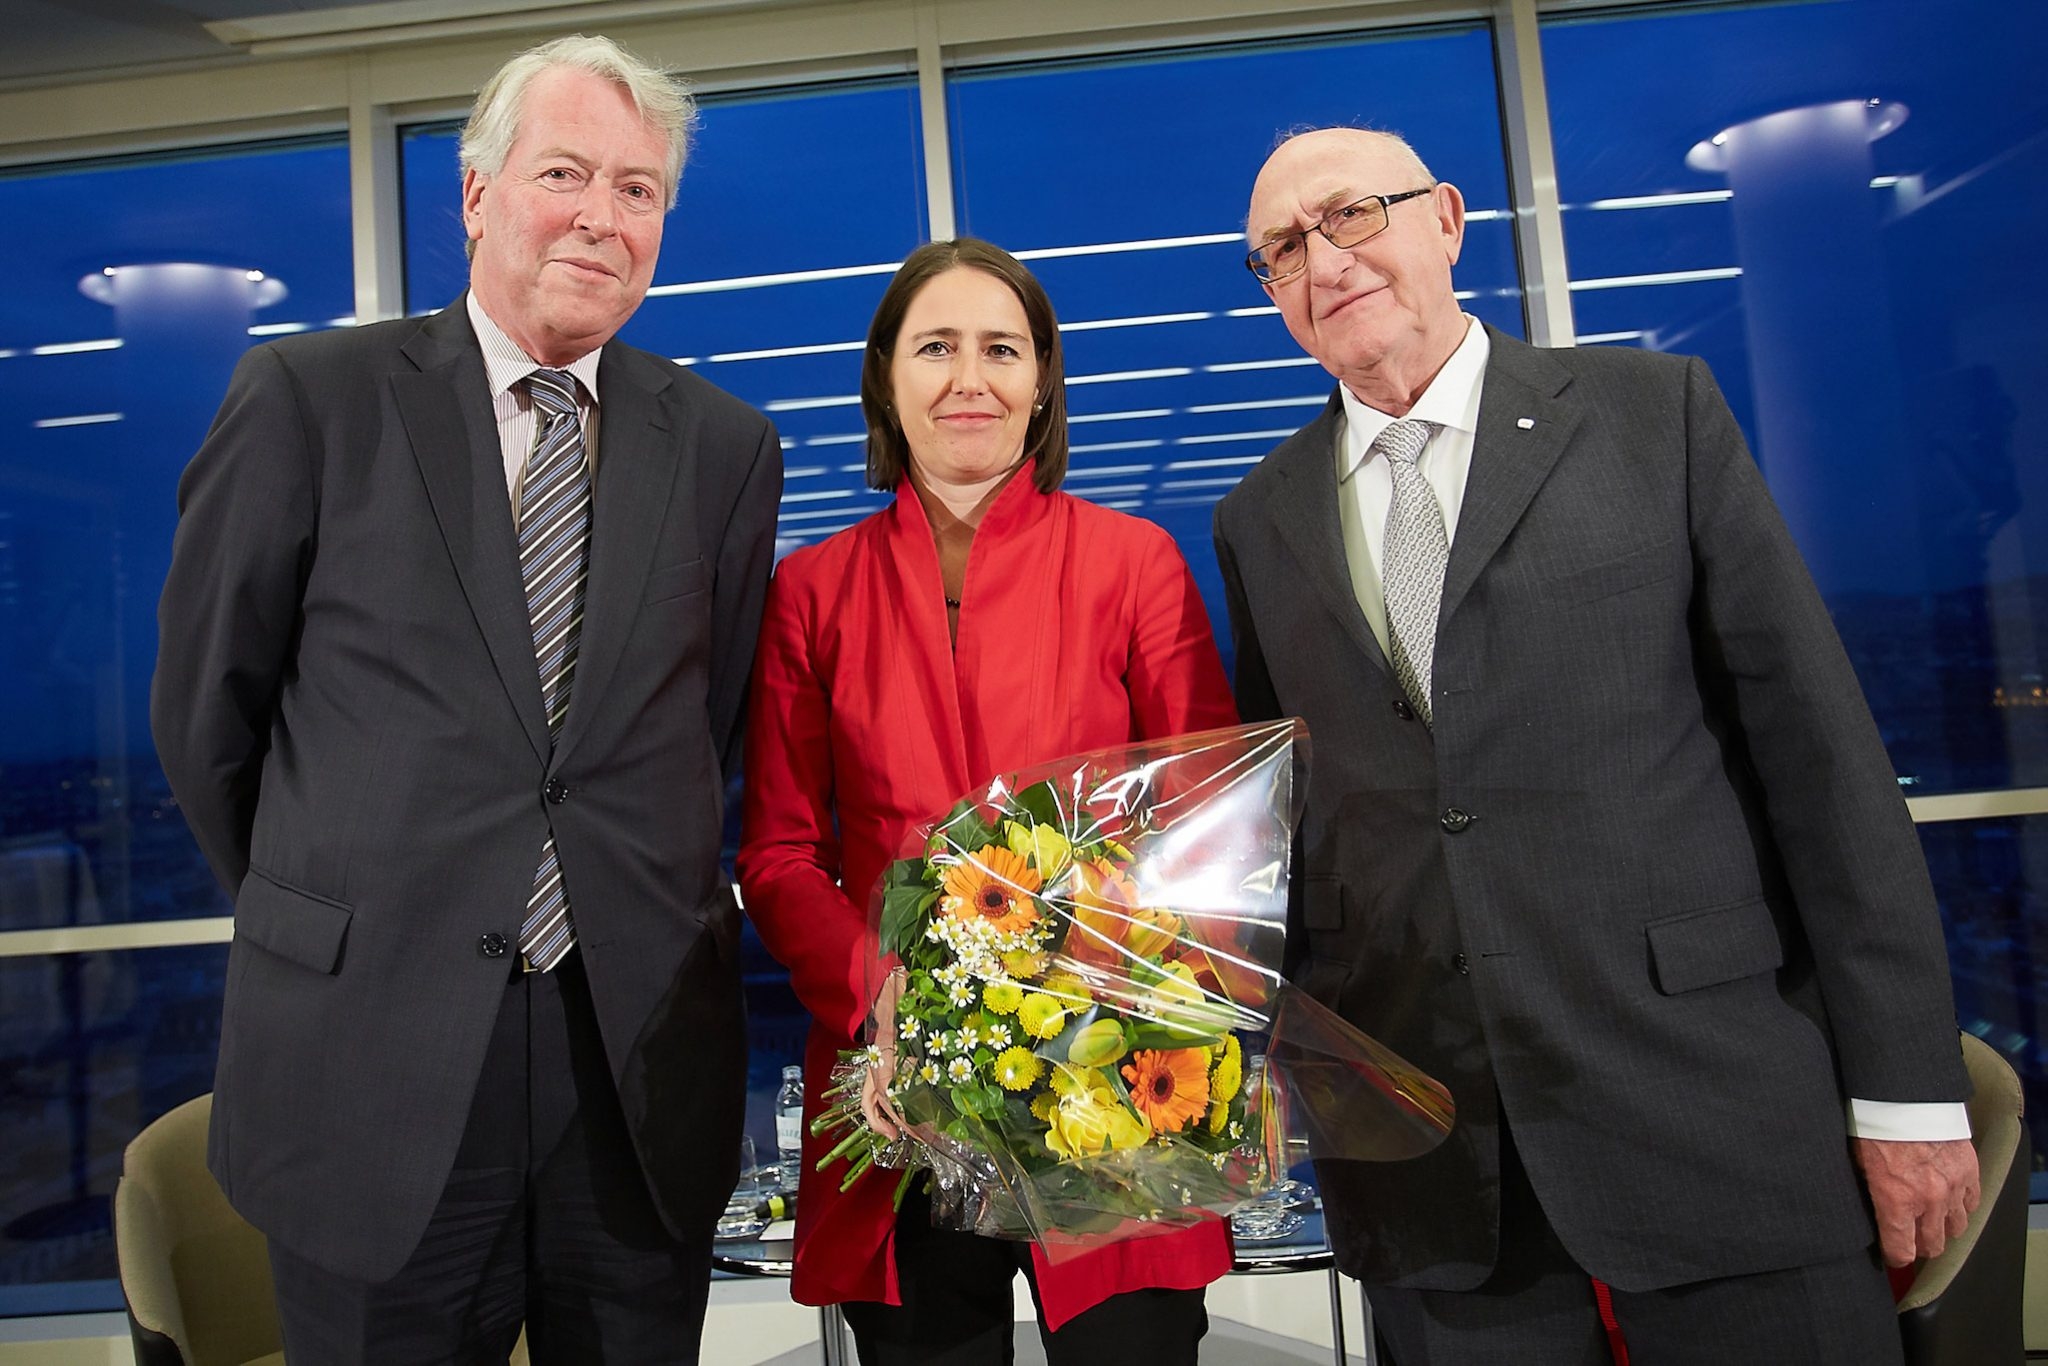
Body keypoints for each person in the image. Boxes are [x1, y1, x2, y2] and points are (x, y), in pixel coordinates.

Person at [1211, 126, 1979, 1365]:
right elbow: (1299, 836)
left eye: (1352, 216)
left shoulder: (1648, 417)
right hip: (1435, 1171)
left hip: (1709, 1114)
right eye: (1283, 248)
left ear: (1446, 220)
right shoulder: (1258, 516)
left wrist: (1900, 1097)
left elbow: (1821, 768)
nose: (1324, 260)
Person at [150, 34, 781, 1363]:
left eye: (637, 189)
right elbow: (210, 719)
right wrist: (339, 909)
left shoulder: (724, 448)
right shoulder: (311, 401)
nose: (601, 217)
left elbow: (699, 726)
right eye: (565, 173)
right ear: (479, 193)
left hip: (633, 1071)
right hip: (369, 1065)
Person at [738, 238, 1235, 1364]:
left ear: (1042, 379)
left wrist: (1095, 979)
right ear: (885, 380)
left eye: (1000, 348)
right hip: (895, 1086)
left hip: (1113, 1074)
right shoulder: (810, 592)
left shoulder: (1132, 562)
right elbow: (776, 850)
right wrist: (885, 991)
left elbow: (1205, 823)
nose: (969, 377)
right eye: (935, 347)